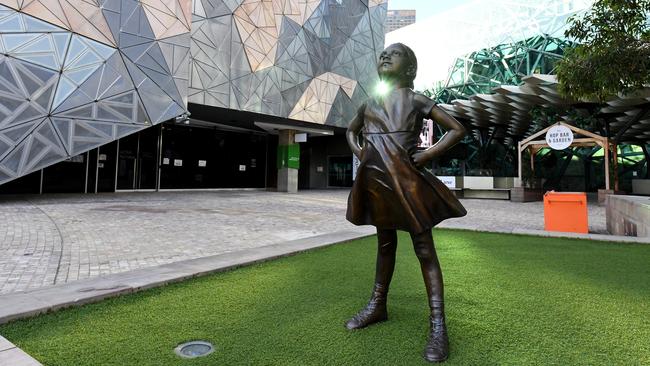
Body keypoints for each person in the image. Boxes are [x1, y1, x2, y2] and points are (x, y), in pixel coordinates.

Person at [345, 43, 467, 363]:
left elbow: (456, 128)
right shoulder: (369, 104)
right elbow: (350, 131)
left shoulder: (416, 99)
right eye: (383, 53)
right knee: (385, 244)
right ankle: (378, 305)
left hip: (408, 184)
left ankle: (438, 325)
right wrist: (362, 153)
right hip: (376, 184)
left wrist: (425, 156)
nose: (385, 56)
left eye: (395, 53)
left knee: (424, 249)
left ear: (410, 69)